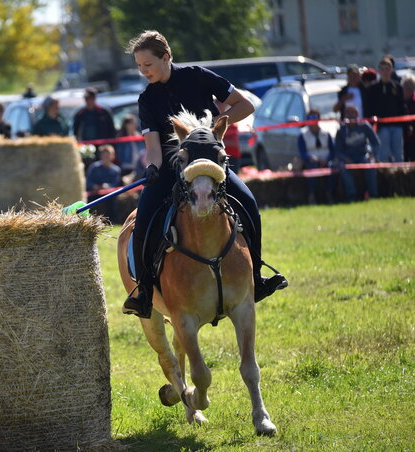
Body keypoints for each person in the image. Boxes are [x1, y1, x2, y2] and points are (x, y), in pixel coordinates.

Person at [122, 30, 287, 318]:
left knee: (248, 203)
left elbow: (245, 106)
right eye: (138, 66)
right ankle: (145, 291)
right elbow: (153, 146)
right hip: (172, 169)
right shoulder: (147, 98)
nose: (143, 71)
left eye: (147, 65)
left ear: (166, 57)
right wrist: (153, 168)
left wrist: (211, 131)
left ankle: (257, 278)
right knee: (145, 217)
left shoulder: (197, 75)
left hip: (211, 165)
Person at [364, 56, 406, 162]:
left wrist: (406, 124)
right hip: (382, 126)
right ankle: (384, 176)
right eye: (382, 69)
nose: (385, 72)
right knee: (384, 153)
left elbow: (402, 106)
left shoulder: (397, 87)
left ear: (391, 70)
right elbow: (369, 107)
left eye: (387, 69)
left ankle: (399, 177)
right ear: (379, 71)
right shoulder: (373, 88)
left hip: (397, 125)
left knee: (398, 153)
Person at [334, 104, 379, 201]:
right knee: (343, 167)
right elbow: (337, 151)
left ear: (357, 114)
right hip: (349, 157)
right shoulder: (341, 130)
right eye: (348, 113)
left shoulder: (365, 126)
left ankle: (373, 194)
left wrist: (372, 155)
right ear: (344, 115)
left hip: (363, 155)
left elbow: (376, 143)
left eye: (352, 112)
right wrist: (344, 158)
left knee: (370, 165)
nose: (350, 115)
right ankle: (352, 195)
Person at [297, 109, 337, 204]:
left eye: (316, 117)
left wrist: (327, 160)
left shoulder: (326, 133)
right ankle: (311, 196)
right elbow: (302, 153)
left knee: (333, 168)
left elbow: (333, 151)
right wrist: (310, 158)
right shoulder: (302, 134)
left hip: (326, 161)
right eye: (311, 118)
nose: (313, 120)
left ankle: (329, 194)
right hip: (312, 162)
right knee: (312, 170)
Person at [86, 145, 121, 219]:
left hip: (109, 195)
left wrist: (107, 187)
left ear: (112, 156)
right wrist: (95, 187)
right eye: (104, 156)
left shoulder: (116, 170)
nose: (105, 158)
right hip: (94, 194)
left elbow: (115, 184)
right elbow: (89, 182)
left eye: (107, 156)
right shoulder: (94, 167)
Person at [402, 74, 415, 162]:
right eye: (406, 86)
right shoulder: (399, 101)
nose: (408, 89)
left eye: (411, 86)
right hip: (401, 135)